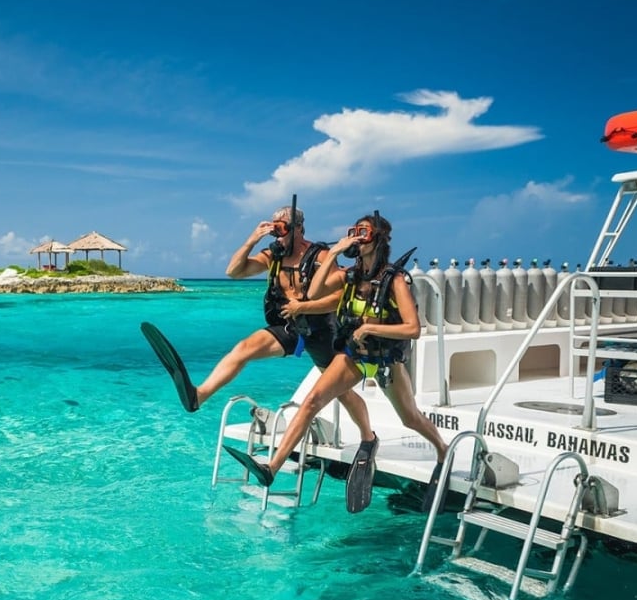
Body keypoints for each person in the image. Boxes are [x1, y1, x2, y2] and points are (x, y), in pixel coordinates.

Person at [222, 211, 448, 513]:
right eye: (353, 230)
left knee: (410, 418)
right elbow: (314, 291)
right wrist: (336, 253)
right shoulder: (349, 275)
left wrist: (371, 328)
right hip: (355, 355)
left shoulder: (393, 280)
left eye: (363, 232)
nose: (356, 236)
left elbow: (413, 329)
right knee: (312, 400)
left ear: (378, 240)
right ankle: (272, 468)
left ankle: (443, 451)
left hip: (385, 360)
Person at [141, 204, 376, 468]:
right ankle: (198, 396)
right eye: (273, 228)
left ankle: (368, 438)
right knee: (243, 349)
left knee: (341, 392)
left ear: (298, 229)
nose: (276, 234)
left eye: (281, 228)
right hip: (289, 327)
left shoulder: (320, 256)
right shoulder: (273, 256)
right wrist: (253, 239)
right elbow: (234, 272)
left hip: (322, 329)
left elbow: (339, 297)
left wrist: (305, 306)